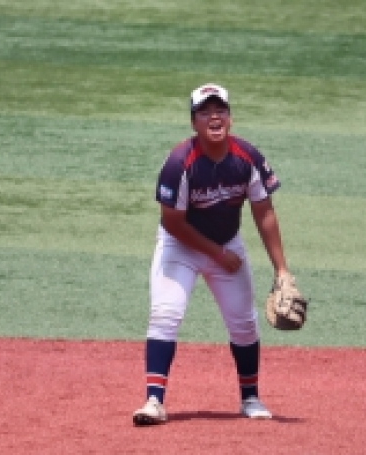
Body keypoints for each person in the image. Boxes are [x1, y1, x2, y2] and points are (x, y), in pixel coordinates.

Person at [132, 83, 292, 426]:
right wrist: (218, 255)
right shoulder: (179, 162)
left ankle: (250, 398)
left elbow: (264, 212)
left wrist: (282, 270)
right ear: (194, 123)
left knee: (244, 323)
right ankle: (154, 401)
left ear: (230, 118)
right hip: (180, 246)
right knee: (165, 313)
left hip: (227, 244)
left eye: (220, 110)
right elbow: (172, 222)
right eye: (205, 112)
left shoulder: (247, 158)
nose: (214, 117)